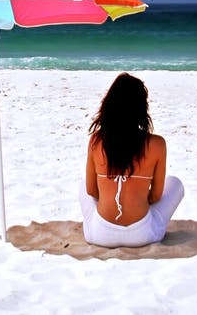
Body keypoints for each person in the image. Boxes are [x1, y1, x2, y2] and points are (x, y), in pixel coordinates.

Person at [79, 72, 184, 247]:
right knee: (175, 183)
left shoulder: (96, 141)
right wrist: (137, 201)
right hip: (143, 234)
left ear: (109, 105)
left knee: (82, 185)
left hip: (100, 235)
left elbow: (92, 191)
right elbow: (156, 196)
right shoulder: (157, 144)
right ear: (141, 108)